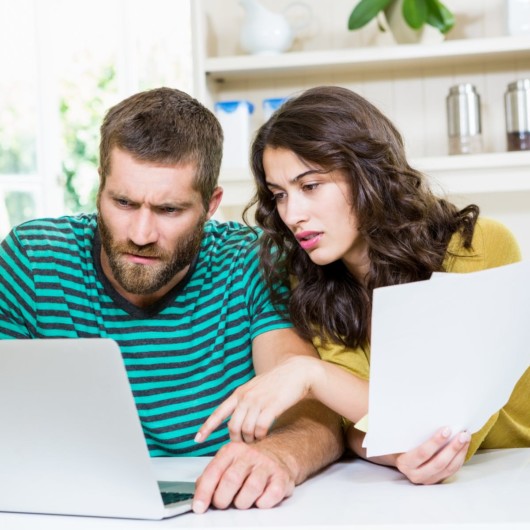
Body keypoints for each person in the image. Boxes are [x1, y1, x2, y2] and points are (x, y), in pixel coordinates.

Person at [0, 87, 344, 513]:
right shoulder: (35, 261)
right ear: (99, 188)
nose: (141, 234)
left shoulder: (250, 260)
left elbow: (316, 413)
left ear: (210, 205)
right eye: (123, 202)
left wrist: (278, 455)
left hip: (224, 511)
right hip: (69, 508)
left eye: (169, 210)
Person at [196, 85, 530, 485]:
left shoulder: (478, 246)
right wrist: (398, 455)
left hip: (510, 472)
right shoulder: (315, 280)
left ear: (367, 174)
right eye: (279, 194)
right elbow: (353, 427)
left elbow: (450, 432)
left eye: (310, 186)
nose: (292, 214)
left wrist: (311, 374)